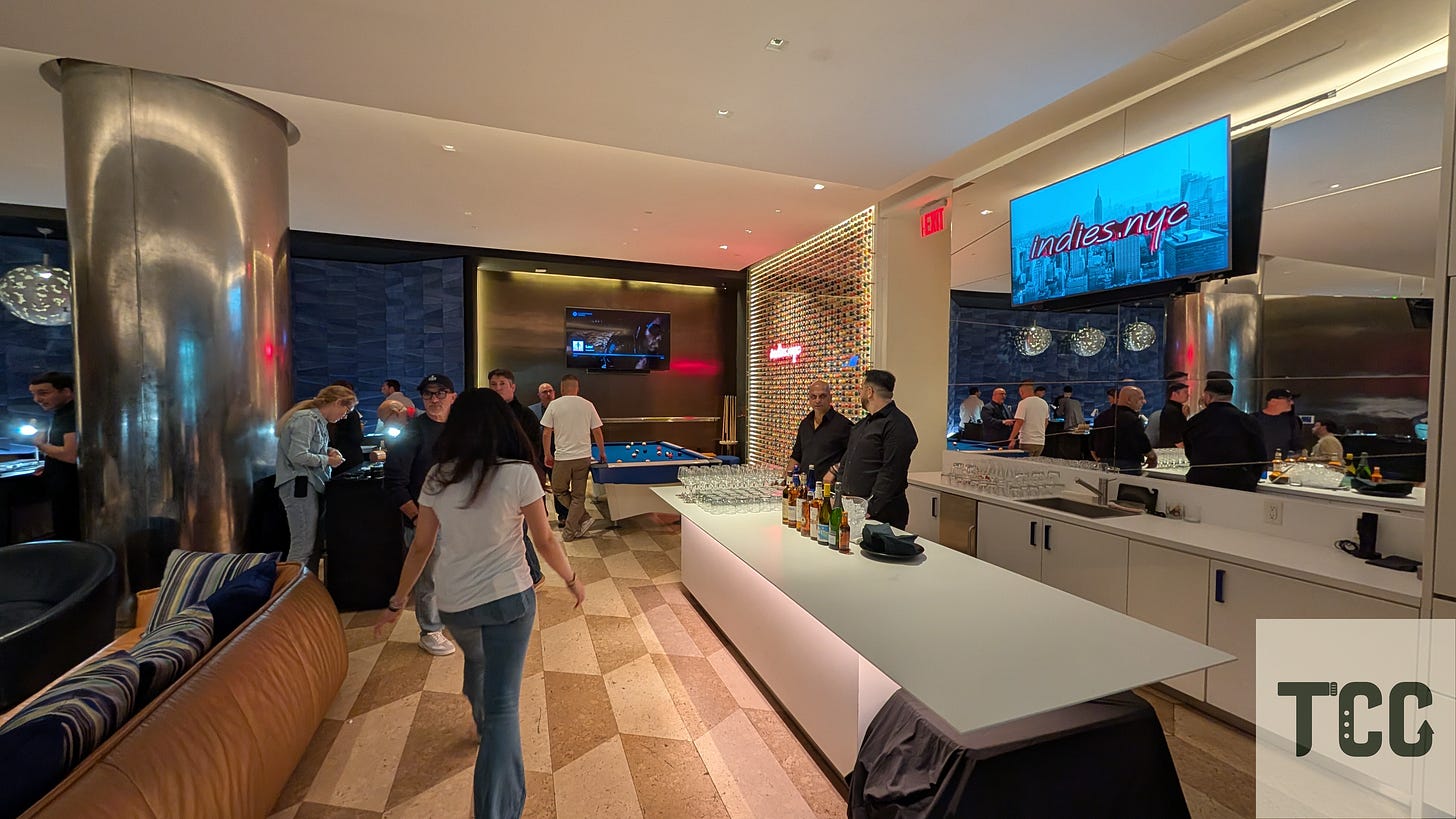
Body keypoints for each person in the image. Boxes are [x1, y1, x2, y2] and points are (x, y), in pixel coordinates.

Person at [375, 388, 585, 819]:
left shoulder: (437, 476)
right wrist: (571, 578)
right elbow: (544, 540)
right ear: (503, 425)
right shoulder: (520, 474)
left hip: (455, 605)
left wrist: (398, 602)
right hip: (509, 601)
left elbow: (420, 548)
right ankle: (497, 810)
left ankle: (479, 710)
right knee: (505, 703)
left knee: (478, 658)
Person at [383, 373, 460, 656]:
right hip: (425, 521)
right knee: (430, 578)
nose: (434, 399)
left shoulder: (460, 429)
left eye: (441, 393)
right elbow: (393, 482)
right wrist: (417, 518)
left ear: (453, 396)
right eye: (429, 394)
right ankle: (430, 630)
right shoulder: (414, 432)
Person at [829, 370, 918, 529]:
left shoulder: (897, 425)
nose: (861, 393)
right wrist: (839, 497)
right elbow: (847, 460)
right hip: (853, 509)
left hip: (881, 515)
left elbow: (892, 472)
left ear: (869, 392)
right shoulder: (863, 425)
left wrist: (871, 507)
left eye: (862, 388)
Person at [274, 385, 352, 564]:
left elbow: (311, 448)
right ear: (338, 402)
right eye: (346, 410)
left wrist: (330, 451)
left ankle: (304, 587)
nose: (344, 416)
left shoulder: (317, 421)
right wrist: (327, 460)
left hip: (308, 484)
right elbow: (298, 455)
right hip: (299, 485)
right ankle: (291, 590)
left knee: (309, 546)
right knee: (302, 547)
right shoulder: (306, 419)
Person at [487, 368, 546, 586]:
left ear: (513, 386)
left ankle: (534, 575)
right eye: (493, 384)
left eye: (502, 383)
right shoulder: (486, 415)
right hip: (490, 481)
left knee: (517, 530)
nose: (497, 388)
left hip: (518, 482)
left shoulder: (525, 415)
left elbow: (533, 451)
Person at [541, 374, 607, 541]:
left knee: (558, 490)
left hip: (563, 457)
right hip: (583, 457)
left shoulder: (554, 405)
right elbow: (597, 431)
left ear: (562, 389)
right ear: (577, 388)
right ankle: (583, 518)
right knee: (578, 496)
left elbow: (547, 432)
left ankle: (571, 530)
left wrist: (547, 453)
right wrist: (601, 452)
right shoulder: (587, 405)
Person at [1184, 379, 1268, 492]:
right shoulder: (1247, 420)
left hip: (1200, 480)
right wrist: (1250, 479)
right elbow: (1260, 456)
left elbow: (1189, 452)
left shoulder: (1195, 421)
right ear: (1230, 397)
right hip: (1238, 483)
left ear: (1208, 396)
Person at [28, 372, 80, 539]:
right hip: (64, 485)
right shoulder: (62, 413)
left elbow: (70, 455)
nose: (36, 399)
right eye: (33, 394)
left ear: (66, 392)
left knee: (68, 534)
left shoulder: (69, 415)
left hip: (70, 489)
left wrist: (41, 445)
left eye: (43, 393)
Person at [786, 380, 852, 479]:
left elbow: (851, 457)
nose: (817, 400)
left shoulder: (844, 425)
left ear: (830, 398)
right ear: (809, 399)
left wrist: (834, 471)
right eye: (813, 397)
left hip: (827, 489)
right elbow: (796, 456)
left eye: (822, 396)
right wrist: (787, 478)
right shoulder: (805, 424)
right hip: (804, 487)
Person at [1092, 386, 1156, 473]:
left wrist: (1100, 459)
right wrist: (1152, 456)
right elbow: (1142, 443)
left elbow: (1091, 443)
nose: (1144, 402)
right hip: (1128, 465)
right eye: (1141, 398)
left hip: (1104, 464)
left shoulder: (1101, 417)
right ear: (1129, 400)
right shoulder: (1132, 419)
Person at [327, 380, 367, 472]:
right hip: (349, 458)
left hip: (334, 459)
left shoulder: (328, 414)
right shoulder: (351, 413)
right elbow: (357, 438)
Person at [1255, 388, 1303, 459]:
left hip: (1282, 466)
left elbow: (1297, 446)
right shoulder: (1253, 419)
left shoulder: (1292, 421)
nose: (1292, 403)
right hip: (1257, 466)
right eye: (1288, 400)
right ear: (1273, 401)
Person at [1008, 381, 1049, 457]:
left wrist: (1011, 438)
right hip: (1041, 443)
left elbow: (1019, 422)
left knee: (1025, 466)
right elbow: (1046, 422)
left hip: (1027, 441)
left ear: (1021, 391)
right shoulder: (1044, 403)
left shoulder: (1023, 403)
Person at [1156, 382, 1191, 448]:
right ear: (1174, 394)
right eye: (1185, 392)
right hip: (1173, 448)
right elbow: (1173, 434)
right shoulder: (1171, 410)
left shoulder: (1178, 408)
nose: (1188, 395)